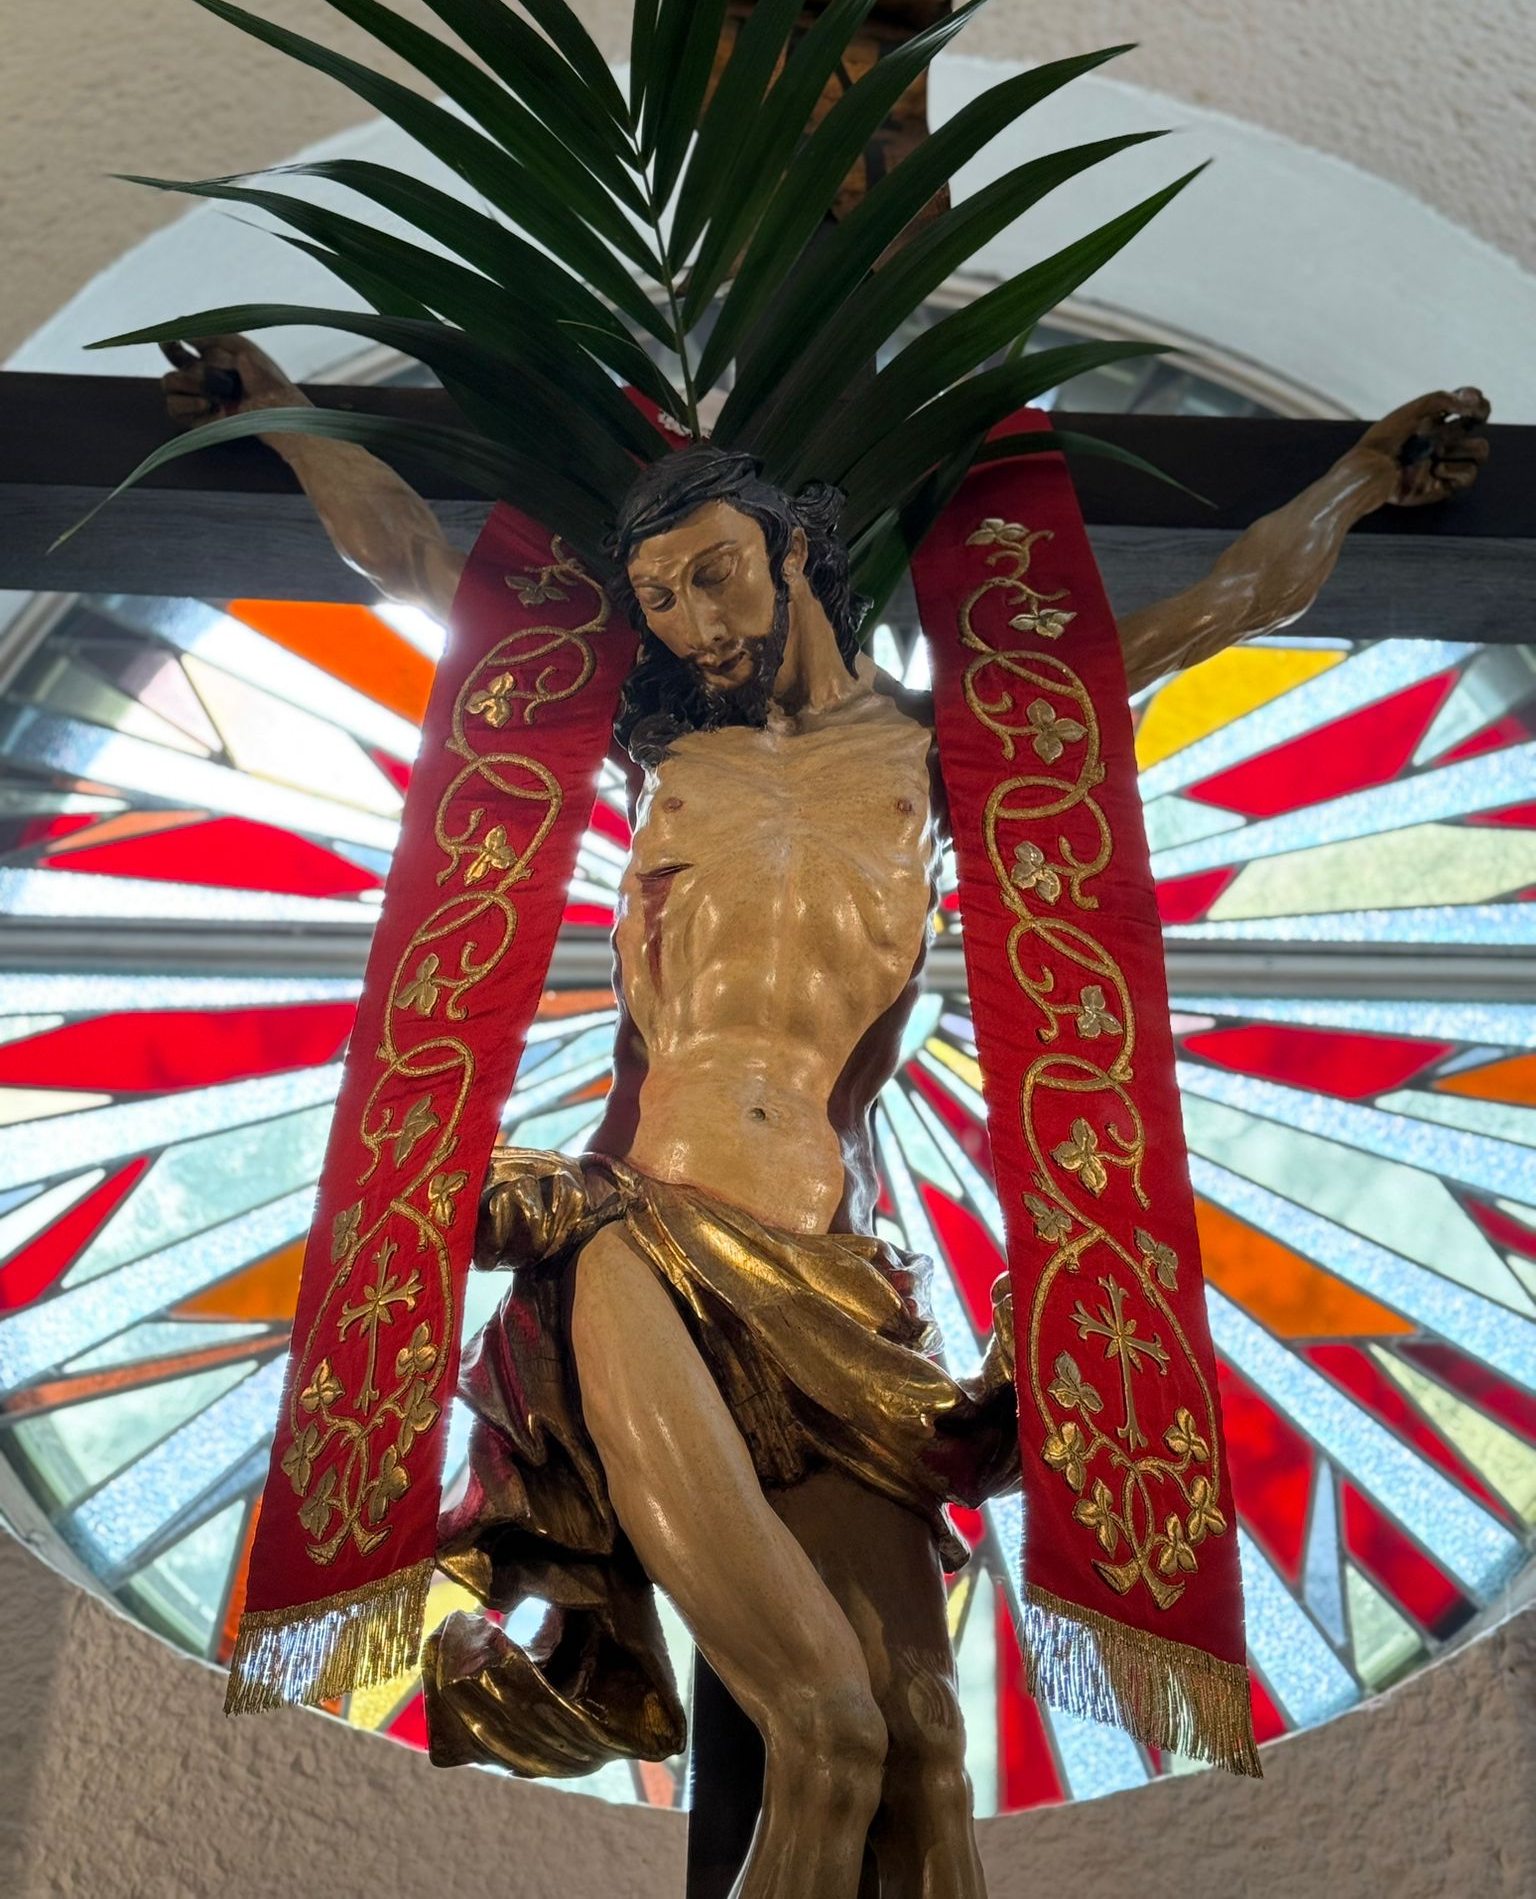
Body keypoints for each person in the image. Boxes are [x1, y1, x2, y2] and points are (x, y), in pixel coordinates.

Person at [164, 335, 1487, 1899]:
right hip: (642, 1241)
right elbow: (409, 556)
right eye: (661, 599)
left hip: (839, 1284)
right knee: (828, 1728)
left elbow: (1226, 604)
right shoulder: (657, 743)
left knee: (926, 1756)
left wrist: (1361, 479)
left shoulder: (942, 752)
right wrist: (283, 417)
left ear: (794, 547)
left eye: (716, 575)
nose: (696, 623)